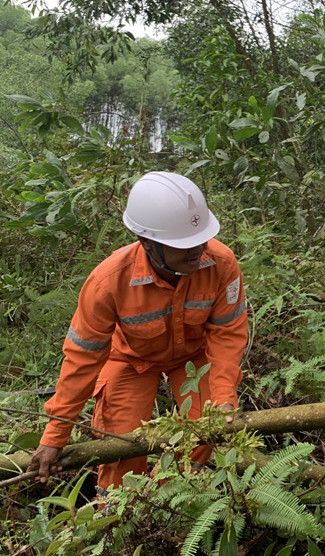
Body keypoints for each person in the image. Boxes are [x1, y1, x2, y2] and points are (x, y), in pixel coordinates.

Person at [29, 171, 249, 490]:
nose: (196, 250)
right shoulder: (108, 282)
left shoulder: (221, 264)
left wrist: (225, 396)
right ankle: (118, 519)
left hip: (194, 358)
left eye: (200, 240)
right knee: (121, 444)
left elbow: (227, 335)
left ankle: (185, 498)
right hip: (129, 360)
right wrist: (55, 436)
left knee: (210, 427)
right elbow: (82, 360)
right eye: (182, 244)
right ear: (147, 242)